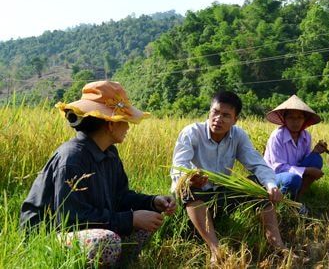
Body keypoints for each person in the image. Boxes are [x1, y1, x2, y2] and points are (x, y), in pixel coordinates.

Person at [20, 80, 177, 267]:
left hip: (88, 228)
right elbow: (71, 220)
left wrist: (152, 202)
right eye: (124, 121)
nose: (128, 127)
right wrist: (130, 219)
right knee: (106, 241)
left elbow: (121, 197)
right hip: (51, 236)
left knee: (148, 221)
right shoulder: (72, 158)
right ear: (111, 124)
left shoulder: (109, 152)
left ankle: (118, 263)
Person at [170, 90, 286, 264]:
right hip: (199, 196)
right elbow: (178, 169)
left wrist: (271, 185)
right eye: (215, 112)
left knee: (259, 185)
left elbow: (257, 163)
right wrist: (189, 178)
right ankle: (216, 250)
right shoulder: (192, 132)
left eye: (225, 115)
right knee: (188, 190)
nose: (218, 119)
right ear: (209, 112)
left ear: (235, 119)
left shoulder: (238, 135)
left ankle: (278, 247)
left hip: (223, 194)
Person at [263, 95, 328, 214]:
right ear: (284, 119)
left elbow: (304, 159)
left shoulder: (306, 136)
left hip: (295, 174)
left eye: (299, 118)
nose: (295, 122)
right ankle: (280, 205)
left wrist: (315, 152)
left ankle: (297, 200)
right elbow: (278, 168)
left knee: (316, 160)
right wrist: (308, 171)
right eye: (291, 118)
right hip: (274, 177)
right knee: (292, 179)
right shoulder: (277, 136)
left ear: (305, 120)